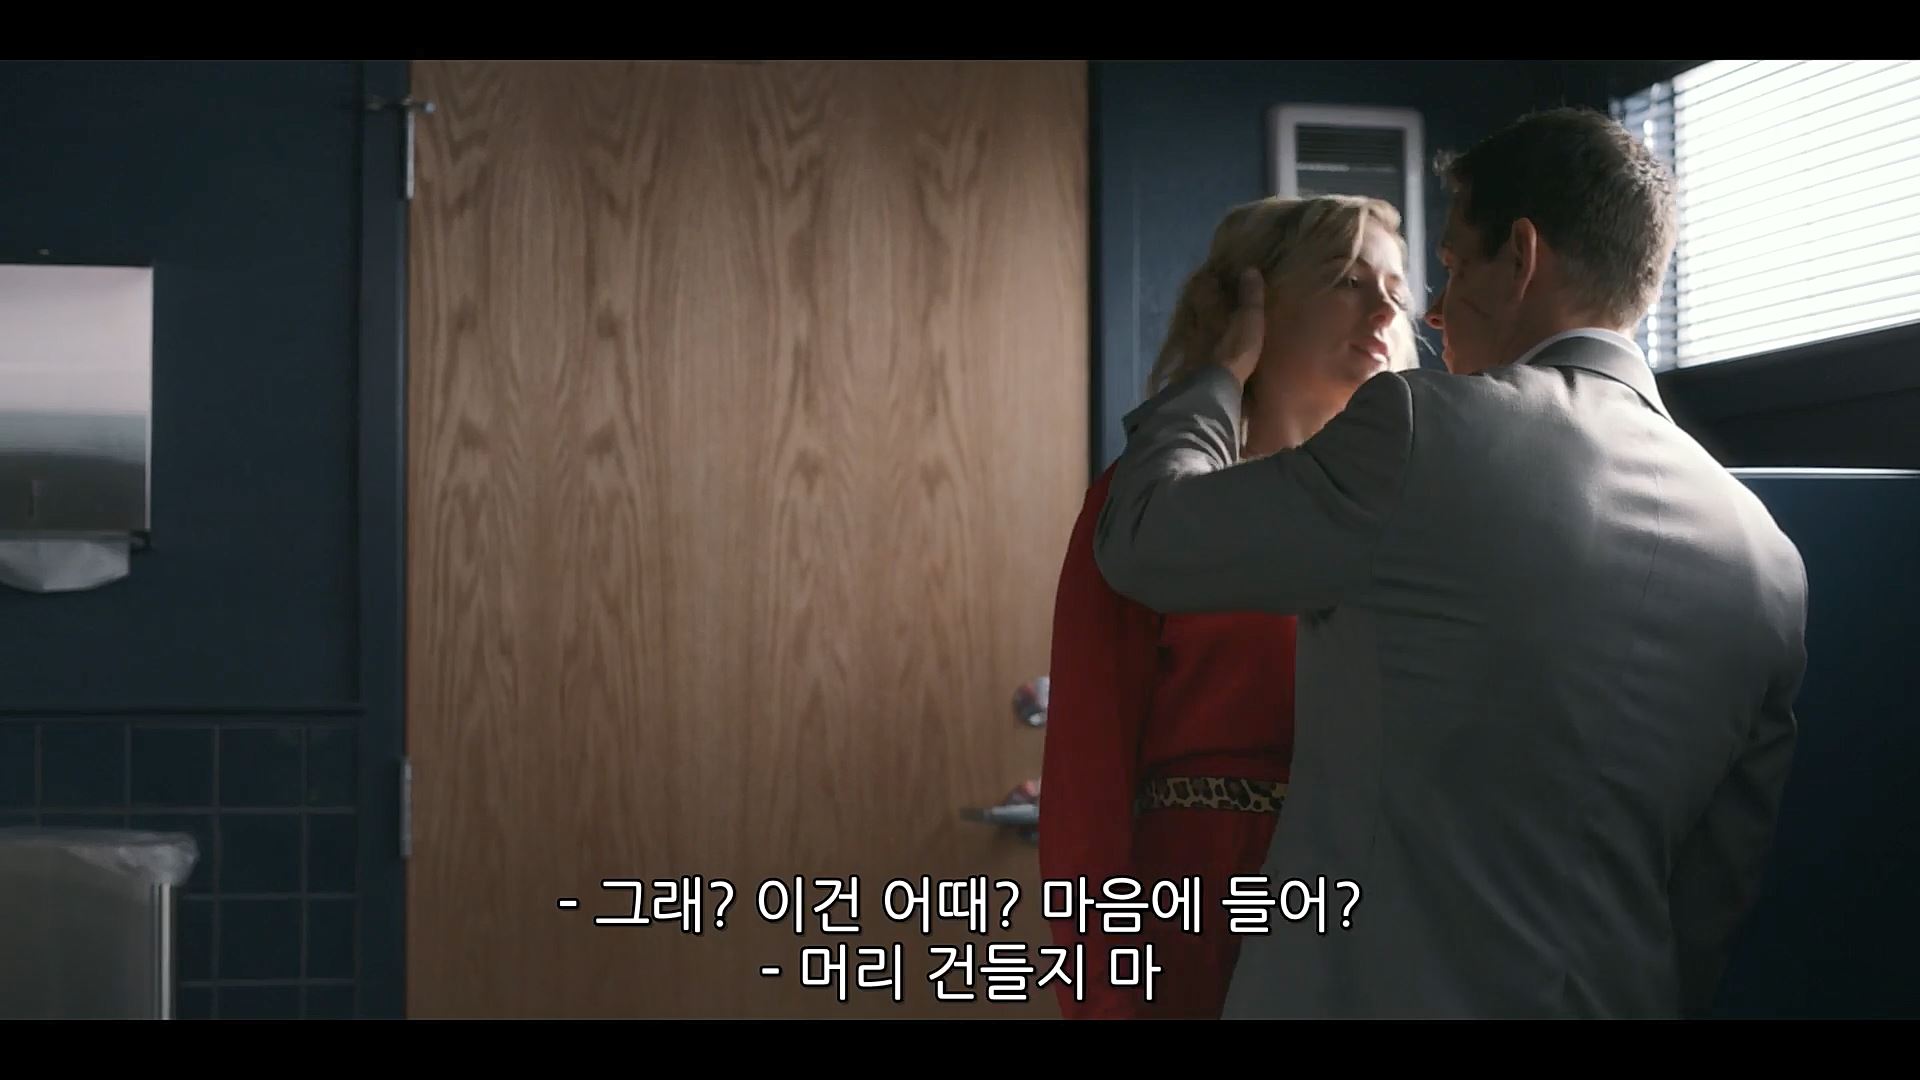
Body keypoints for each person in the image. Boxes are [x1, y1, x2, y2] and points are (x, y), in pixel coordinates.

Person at [1090, 107, 1809, 1019]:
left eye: (1453, 268)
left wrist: (1216, 377)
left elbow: (1144, 536)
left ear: (1522, 255)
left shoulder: (1420, 431)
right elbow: (1712, 897)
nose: (1428, 312)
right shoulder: (1768, 558)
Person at [1038, 194, 1420, 1019]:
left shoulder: (1416, 514)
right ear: (1255, 301)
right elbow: (1086, 779)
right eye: (1348, 280)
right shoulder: (1147, 513)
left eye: (1397, 288)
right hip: (1199, 906)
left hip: (1373, 911)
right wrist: (1105, 994)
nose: (1386, 310)